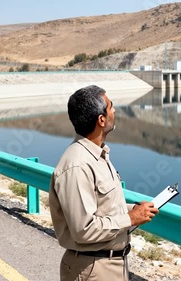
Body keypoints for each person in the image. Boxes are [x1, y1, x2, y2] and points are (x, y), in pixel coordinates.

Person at [49, 85, 159, 281]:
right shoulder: (77, 165)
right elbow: (84, 230)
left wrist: (132, 209)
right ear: (101, 120)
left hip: (109, 265)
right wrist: (131, 219)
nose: (115, 111)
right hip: (93, 268)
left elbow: (100, 206)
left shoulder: (97, 155)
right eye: (111, 107)